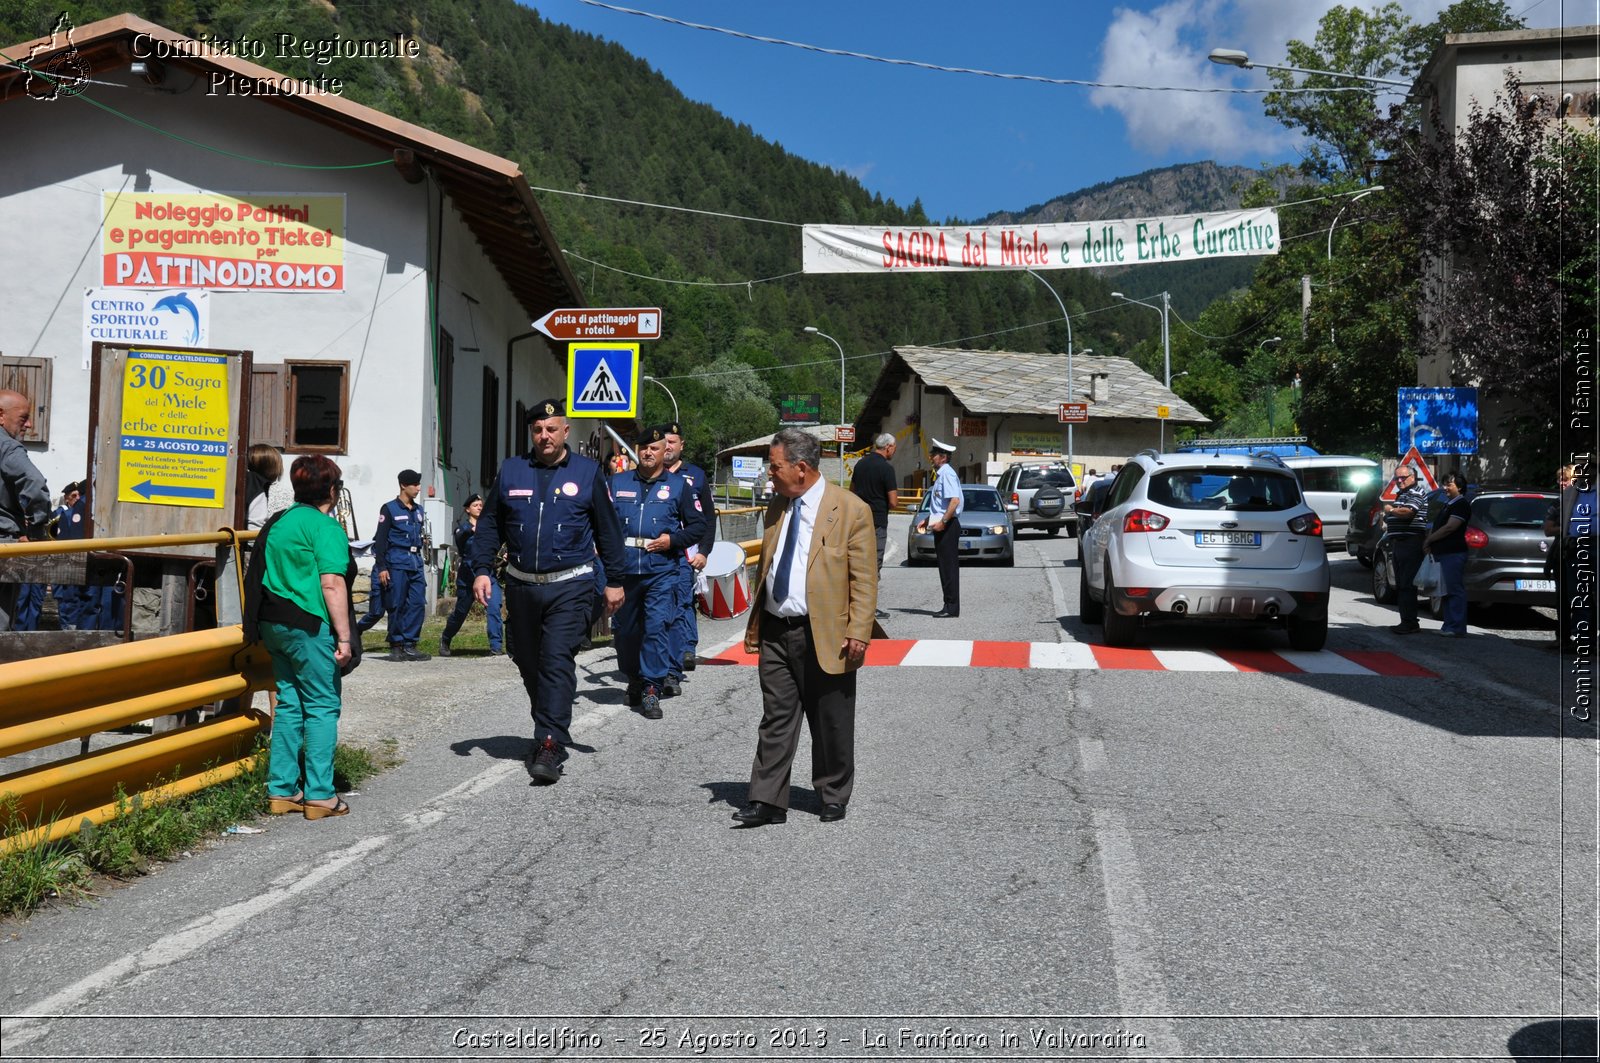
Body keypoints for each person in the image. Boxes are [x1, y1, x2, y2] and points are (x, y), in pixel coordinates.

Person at [469, 399, 627, 785]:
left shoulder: (588, 473)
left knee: (556, 659)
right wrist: (481, 569)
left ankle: (550, 742)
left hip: (571, 584)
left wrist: (615, 580)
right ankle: (548, 721)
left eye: (552, 429)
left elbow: (608, 531)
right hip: (522, 585)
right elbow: (490, 525)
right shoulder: (512, 470)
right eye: (538, 430)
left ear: (565, 431)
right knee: (526, 659)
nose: (545, 436)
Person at [732, 428, 882, 828]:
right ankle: (767, 800)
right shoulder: (778, 506)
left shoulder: (850, 510)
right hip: (777, 630)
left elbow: (865, 579)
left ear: (800, 468)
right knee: (776, 717)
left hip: (827, 632)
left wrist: (859, 631)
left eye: (775, 466)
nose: (770, 474)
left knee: (831, 718)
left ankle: (833, 793)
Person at [245, 455, 355, 820]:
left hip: (273, 625)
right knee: (323, 706)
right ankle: (321, 795)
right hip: (310, 626)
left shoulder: (281, 521)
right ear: (333, 491)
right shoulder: (326, 528)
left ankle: (282, 790)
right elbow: (332, 584)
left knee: (290, 703)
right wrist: (344, 638)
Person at [610, 425, 709, 719]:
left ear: (664, 451)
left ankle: (652, 688)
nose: (648, 452)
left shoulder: (679, 486)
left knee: (656, 627)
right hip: (625, 569)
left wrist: (672, 541)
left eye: (654, 448)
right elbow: (601, 523)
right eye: (643, 448)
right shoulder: (617, 483)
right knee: (626, 631)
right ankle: (634, 678)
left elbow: (698, 526)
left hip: (661, 570)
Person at [663, 421, 716, 682]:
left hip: (687, 551)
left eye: (673, 441)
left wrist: (705, 551)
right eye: (665, 441)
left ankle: (686, 649)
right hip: (658, 551)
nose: (668, 446)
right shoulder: (650, 473)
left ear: (681, 445)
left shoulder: (695, 475)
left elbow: (708, 517)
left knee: (684, 600)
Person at [0, 388, 51, 632]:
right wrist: (38, 528)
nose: (29, 424)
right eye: (23, 418)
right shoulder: (7, 448)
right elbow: (34, 482)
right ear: (1, 416)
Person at [370, 468, 430, 662]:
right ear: (404, 485)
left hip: (415, 562)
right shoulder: (389, 509)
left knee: (417, 602)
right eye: (415, 485)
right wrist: (382, 567)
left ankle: (410, 643)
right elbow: (380, 540)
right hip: (396, 561)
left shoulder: (419, 510)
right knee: (396, 603)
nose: (419, 488)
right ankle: (396, 644)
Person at [440, 494, 503, 657]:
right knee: (461, 612)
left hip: (487, 574)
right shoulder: (462, 528)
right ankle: (446, 638)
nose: (480, 507)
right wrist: (471, 530)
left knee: (494, 608)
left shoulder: (489, 527)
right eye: (476, 505)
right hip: (468, 576)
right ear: (468, 509)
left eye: (481, 505)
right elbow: (460, 538)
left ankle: (496, 647)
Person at [1544, 462, 1594, 654]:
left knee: (1582, 598)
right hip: (1562, 551)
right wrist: (1568, 528)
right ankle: (1563, 638)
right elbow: (1548, 529)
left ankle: (1583, 639)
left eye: (1565, 479)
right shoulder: (1558, 502)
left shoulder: (1585, 499)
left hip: (1580, 551)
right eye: (1559, 479)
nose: (1561, 483)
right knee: (1564, 599)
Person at [850, 432, 899, 620]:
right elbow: (893, 502)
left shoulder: (860, 465)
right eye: (894, 447)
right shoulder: (887, 469)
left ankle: (854, 605)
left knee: (857, 564)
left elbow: (851, 493)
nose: (894, 450)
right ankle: (869, 608)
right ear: (888, 447)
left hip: (858, 523)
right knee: (873, 566)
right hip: (877, 523)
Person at [1382, 465, 1432, 634]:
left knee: (1407, 584)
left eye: (1403, 477)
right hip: (1400, 543)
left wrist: (1390, 510)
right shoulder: (1401, 494)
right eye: (1397, 478)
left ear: (1413, 477)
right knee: (1402, 584)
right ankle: (1406, 620)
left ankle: (1410, 622)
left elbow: (1409, 512)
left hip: (1410, 543)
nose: (1400, 481)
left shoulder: (1415, 493)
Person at [1423, 471, 1471, 637]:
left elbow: (1450, 527)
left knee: (1454, 589)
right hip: (1443, 552)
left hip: (1453, 553)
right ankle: (1449, 624)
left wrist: (1429, 540)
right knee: (1446, 590)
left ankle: (1457, 627)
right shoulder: (1449, 504)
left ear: (1459, 486)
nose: (1445, 488)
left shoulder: (1461, 505)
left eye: (1449, 484)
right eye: (1444, 484)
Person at [920, 437, 963, 619]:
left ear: (943, 457)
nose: (931, 457)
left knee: (949, 567)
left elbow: (954, 501)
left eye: (934, 454)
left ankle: (951, 607)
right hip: (942, 524)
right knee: (944, 567)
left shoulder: (948, 474)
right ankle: (948, 604)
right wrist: (928, 519)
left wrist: (943, 522)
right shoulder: (941, 474)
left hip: (948, 525)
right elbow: (941, 504)